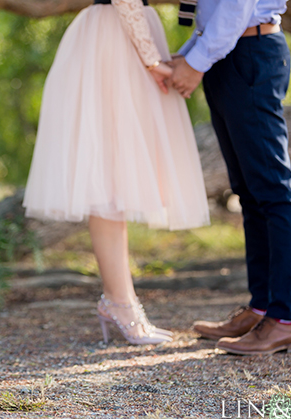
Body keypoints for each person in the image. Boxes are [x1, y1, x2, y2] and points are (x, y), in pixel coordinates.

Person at [23, 0, 211, 345]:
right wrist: (150, 57)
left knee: (115, 181)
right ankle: (120, 303)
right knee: (109, 179)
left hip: (123, 31)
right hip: (118, 37)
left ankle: (120, 300)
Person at [169, 0, 291, 355]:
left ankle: (287, 318)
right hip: (229, 54)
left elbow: (234, 8)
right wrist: (187, 57)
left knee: (275, 191)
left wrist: (194, 63)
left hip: (249, 51)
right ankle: (261, 308)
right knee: (249, 191)